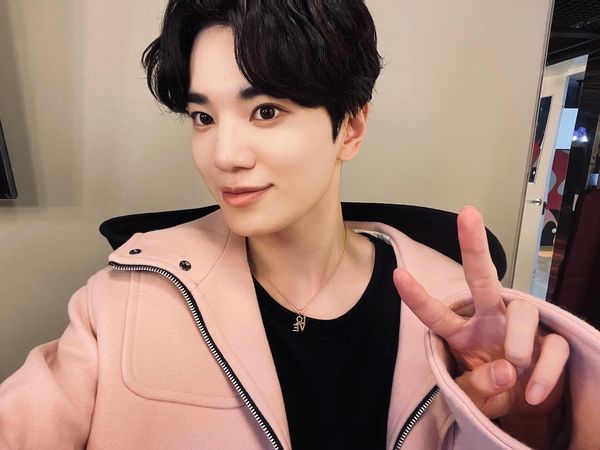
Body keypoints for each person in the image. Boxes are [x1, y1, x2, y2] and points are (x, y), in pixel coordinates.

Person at [1, 1, 600, 449]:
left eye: (266, 111)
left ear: (351, 128)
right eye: (203, 117)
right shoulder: (123, 299)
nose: (224, 155)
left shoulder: (456, 312)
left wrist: (525, 422)